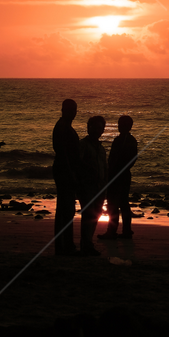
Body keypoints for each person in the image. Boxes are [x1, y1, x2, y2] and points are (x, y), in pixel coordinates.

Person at [99, 115, 138, 240]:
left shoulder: (121, 140)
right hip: (124, 174)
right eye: (120, 124)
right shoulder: (131, 140)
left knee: (113, 204)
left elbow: (114, 159)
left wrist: (111, 172)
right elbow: (133, 159)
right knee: (123, 203)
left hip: (117, 175)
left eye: (122, 124)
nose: (120, 126)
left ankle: (112, 231)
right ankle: (125, 230)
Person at [52, 99, 80, 256]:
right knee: (65, 209)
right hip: (64, 171)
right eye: (71, 109)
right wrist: (71, 173)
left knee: (66, 209)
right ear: (64, 110)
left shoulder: (65, 126)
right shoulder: (63, 127)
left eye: (75, 109)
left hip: (65, 170)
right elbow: (63, 153)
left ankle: (65, 244)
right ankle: (64, 245)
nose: (74, 113)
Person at [77, 116, 107, 256]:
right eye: (94, 127)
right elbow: (77, 162)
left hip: (100, 186)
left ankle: (88, 243)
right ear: (88, 128)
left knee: (96, 214)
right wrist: (88, 169)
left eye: (100, 128)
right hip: (87, 185)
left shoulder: (101, 148)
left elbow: (105, 167)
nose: (97, 130)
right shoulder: (83, 144)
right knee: (88, 214)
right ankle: (86, 244)